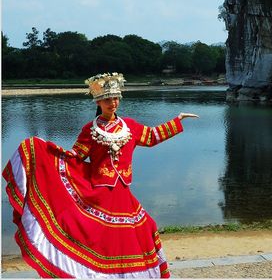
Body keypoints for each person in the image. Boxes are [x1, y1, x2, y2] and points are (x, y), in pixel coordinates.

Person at [2, 72, 199, 278]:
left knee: (144, 228)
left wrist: (178, 121)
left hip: (123, 194)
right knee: (100, 237)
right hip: (99, 193)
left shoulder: (129, 126)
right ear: (98, 101)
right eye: (107, 99)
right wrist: (46, 151)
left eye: (115, 98)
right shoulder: (90, 129)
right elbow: (75, 157)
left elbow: (151, 136)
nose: (112, 103)